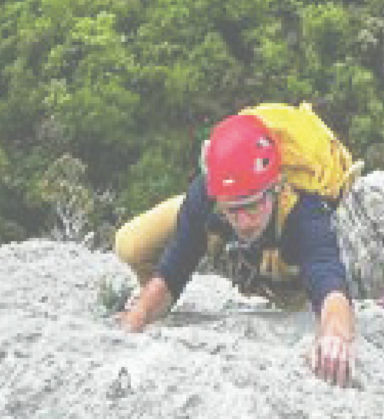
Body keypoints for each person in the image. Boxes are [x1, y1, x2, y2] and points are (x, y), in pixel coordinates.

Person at [114, 103, 359, 387]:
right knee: (130, 244)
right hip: (225, 210)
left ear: (275, 187)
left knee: (293, 298)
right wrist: (136, 319)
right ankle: (162, 299)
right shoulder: (209, 195)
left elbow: (328, 280)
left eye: (252, 207)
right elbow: (174, 268)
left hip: (283, 245)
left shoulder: (304, 210)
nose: (243, 221)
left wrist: (335, 336)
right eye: (234, 210)